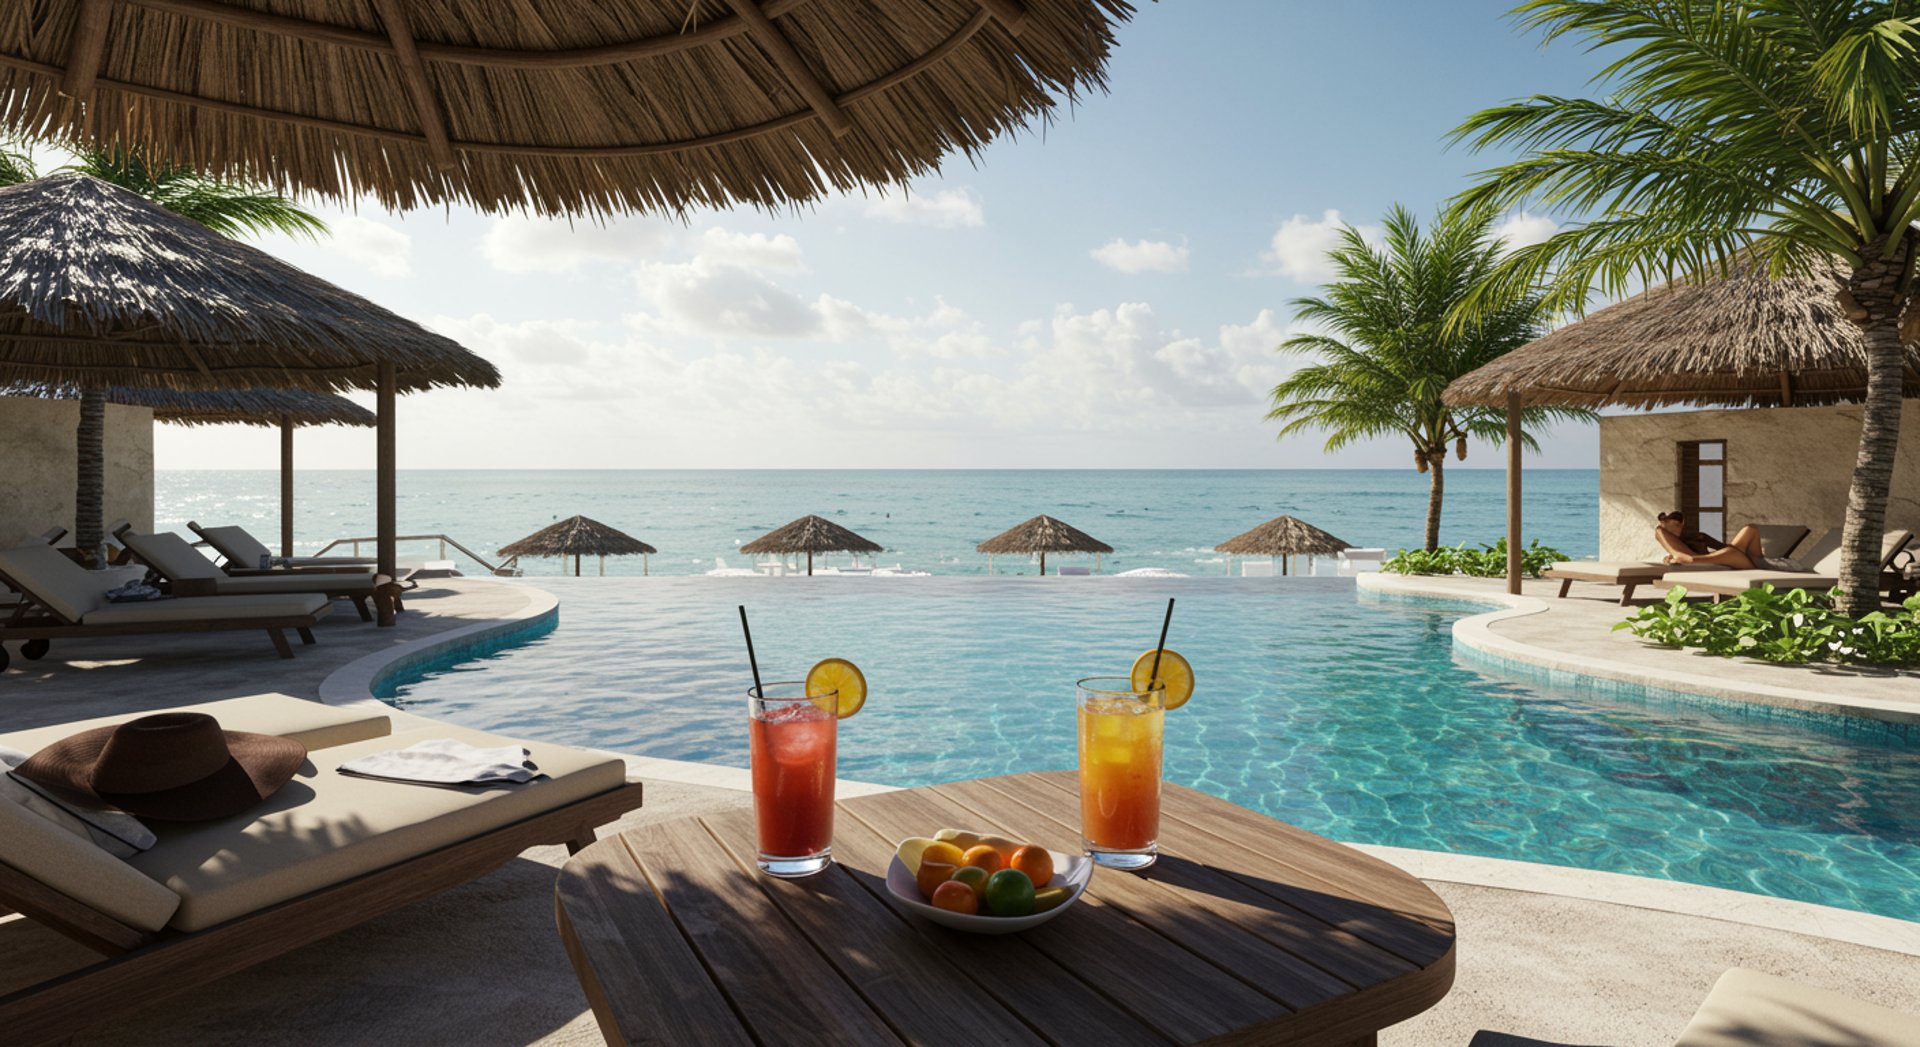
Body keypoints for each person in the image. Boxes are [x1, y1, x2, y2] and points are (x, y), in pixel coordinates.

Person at [1653, 512, 1791, 570]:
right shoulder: (1680, 541)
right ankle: (1690, 559)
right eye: (1675, 526)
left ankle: (1691, 560)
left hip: (1757, 564)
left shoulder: (1697, 537)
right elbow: (1725, 548)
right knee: (1749, 531)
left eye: (1679, 526)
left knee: (1750, 529)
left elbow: (1723, 547)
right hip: (1738, 559)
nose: (1678, 529)